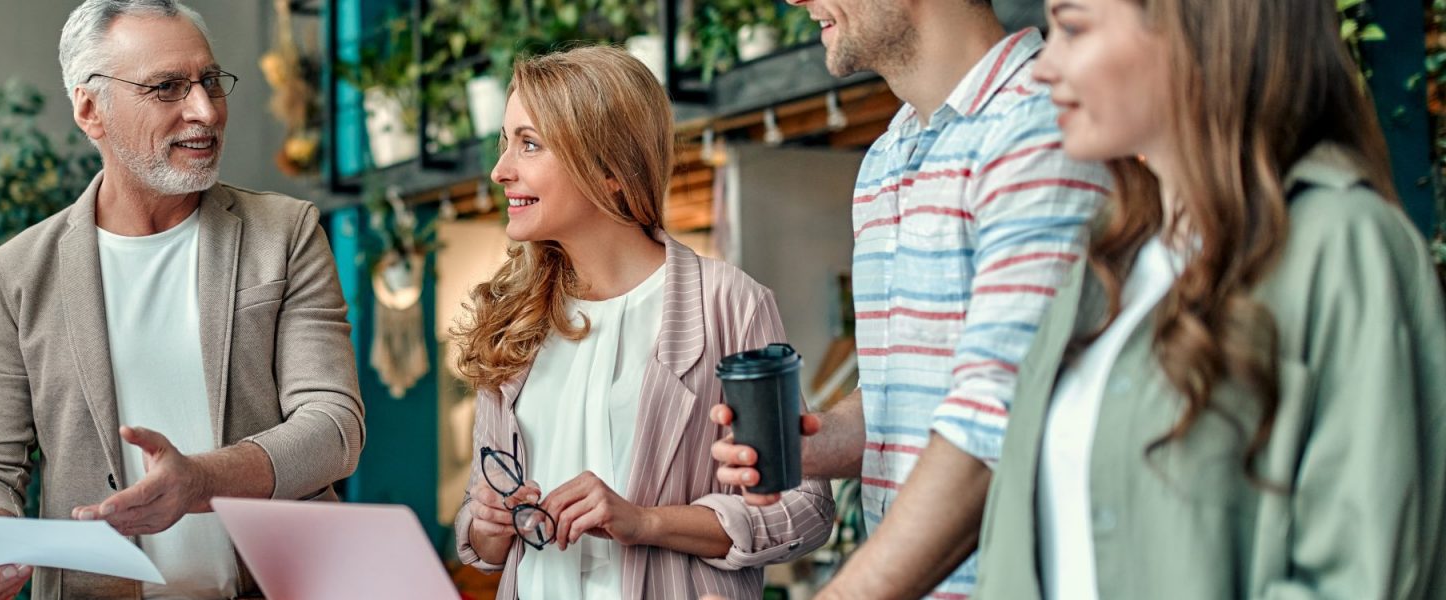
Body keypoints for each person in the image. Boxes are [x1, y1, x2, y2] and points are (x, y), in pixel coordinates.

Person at [970, 0, 1446, 596]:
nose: (1043, 66)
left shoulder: (1344, 243)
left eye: (1071, 27)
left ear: (1193, 29)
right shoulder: (1104, 268)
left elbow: (1358, 573)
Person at [0, 1, 365, 598]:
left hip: (280, 585)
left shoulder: (286, 234)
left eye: (210, 81)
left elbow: (333, 427)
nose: (205, 111)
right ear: (91, 110)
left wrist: (203, 482)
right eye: (167, 88)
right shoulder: (15, 275)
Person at [709, 0, 1112, 596]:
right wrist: (812, 441)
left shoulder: (1040, 123)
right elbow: (906, 394)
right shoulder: (886, 157)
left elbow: (996, 425)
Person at [449, 46, 834, 599]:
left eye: (528, 144)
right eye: (505, 142)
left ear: (609, 169)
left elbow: (805, 505)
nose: (500, 170)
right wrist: (486, 526)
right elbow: (484, 538)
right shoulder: (512, 318)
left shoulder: (728, 302)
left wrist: (646, 521)